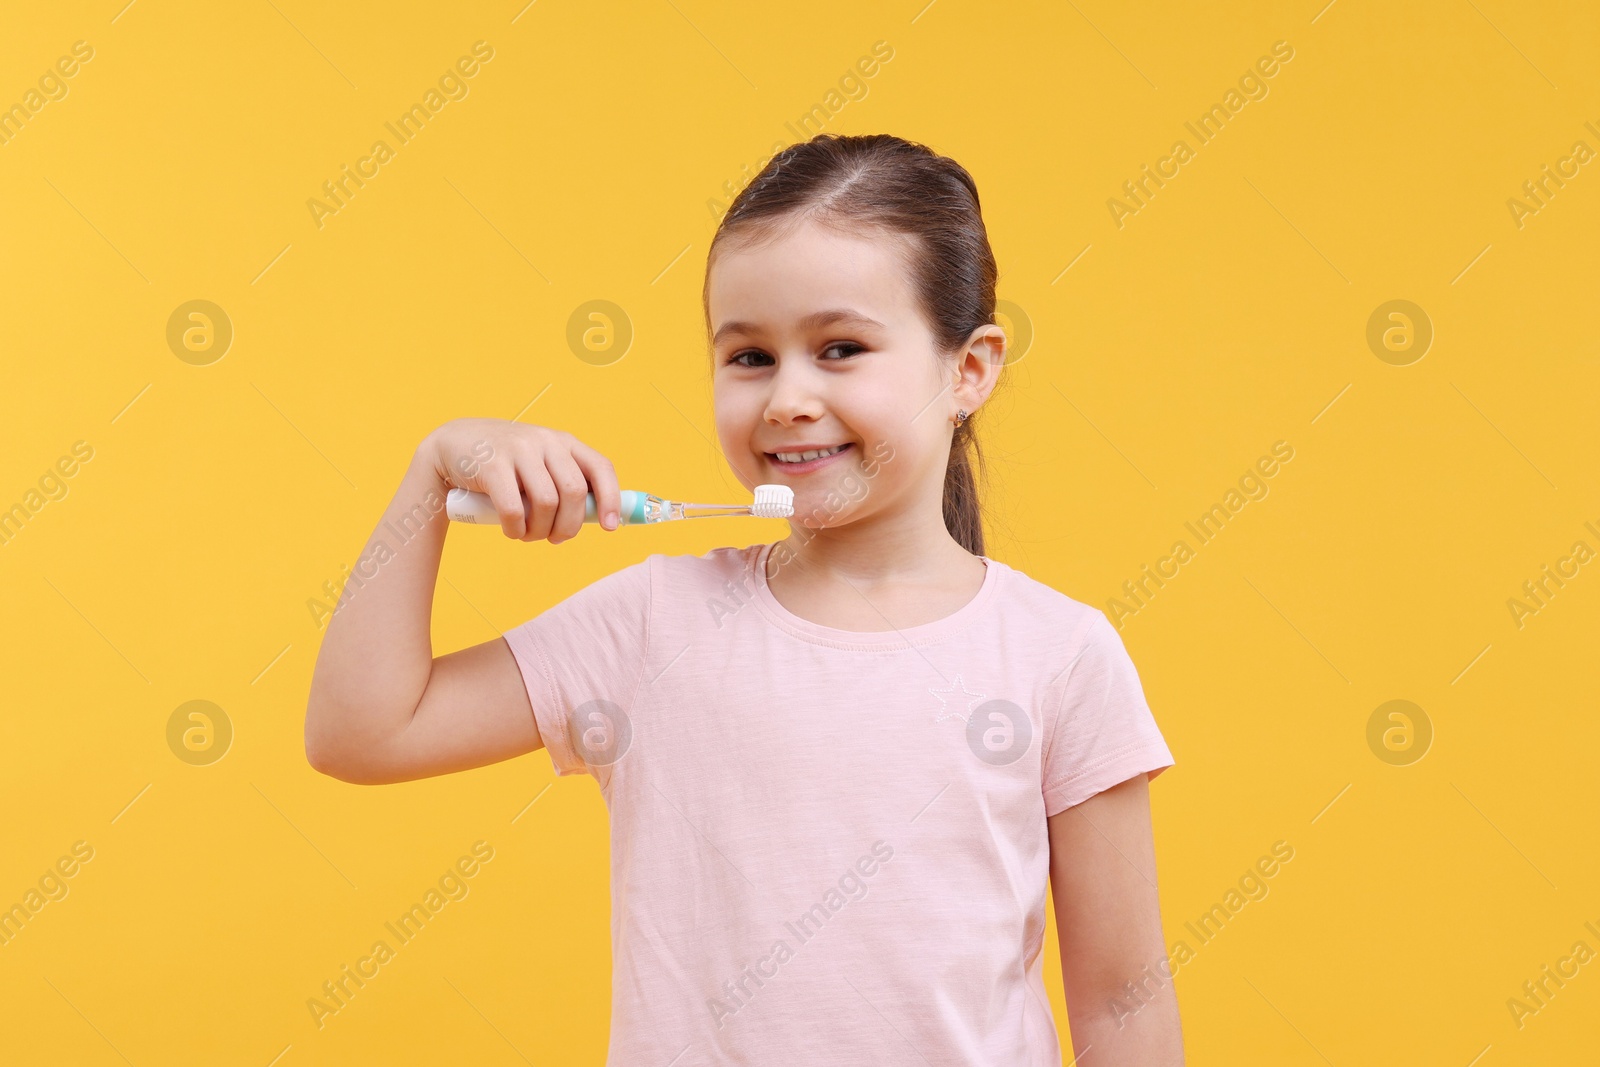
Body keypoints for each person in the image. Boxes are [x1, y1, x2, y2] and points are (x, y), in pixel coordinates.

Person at [305, 132, 1184, 1065]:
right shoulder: (653, 624)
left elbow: (1121, 1002)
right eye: (750, 357)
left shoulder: (1059, 653)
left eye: (841, 348)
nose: (788, 398)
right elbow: (363, 730)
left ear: (968, 369)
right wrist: (433, 471)